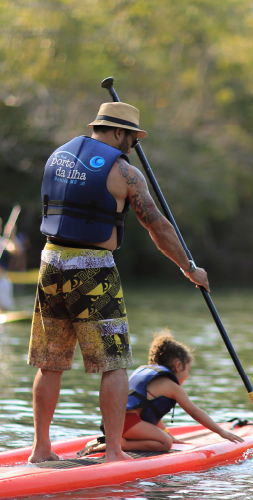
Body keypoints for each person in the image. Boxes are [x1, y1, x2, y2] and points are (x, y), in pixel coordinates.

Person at [27, 102, 210, 464]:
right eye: (130, 137)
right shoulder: (125, 173)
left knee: (50, 364)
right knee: (114, 364)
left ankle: (41, 449)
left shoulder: (57, 157)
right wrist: (189, 267)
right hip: (93, 269)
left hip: (50, 263)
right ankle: (113, 453)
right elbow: (157, 226)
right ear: (117, 132)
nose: (132, 145)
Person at [77, 331, 244, 456]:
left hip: (112, 422)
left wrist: (175, 437)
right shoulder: (172, 386)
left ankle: (114, 440)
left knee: (168, 438)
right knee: (165, 443)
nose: (187, 375)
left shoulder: (148, 373)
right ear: (178, 366)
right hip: (125, 423)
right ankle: (122, 444)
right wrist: (221, 431)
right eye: (188, 370)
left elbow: (152, 418)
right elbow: (195, 411)